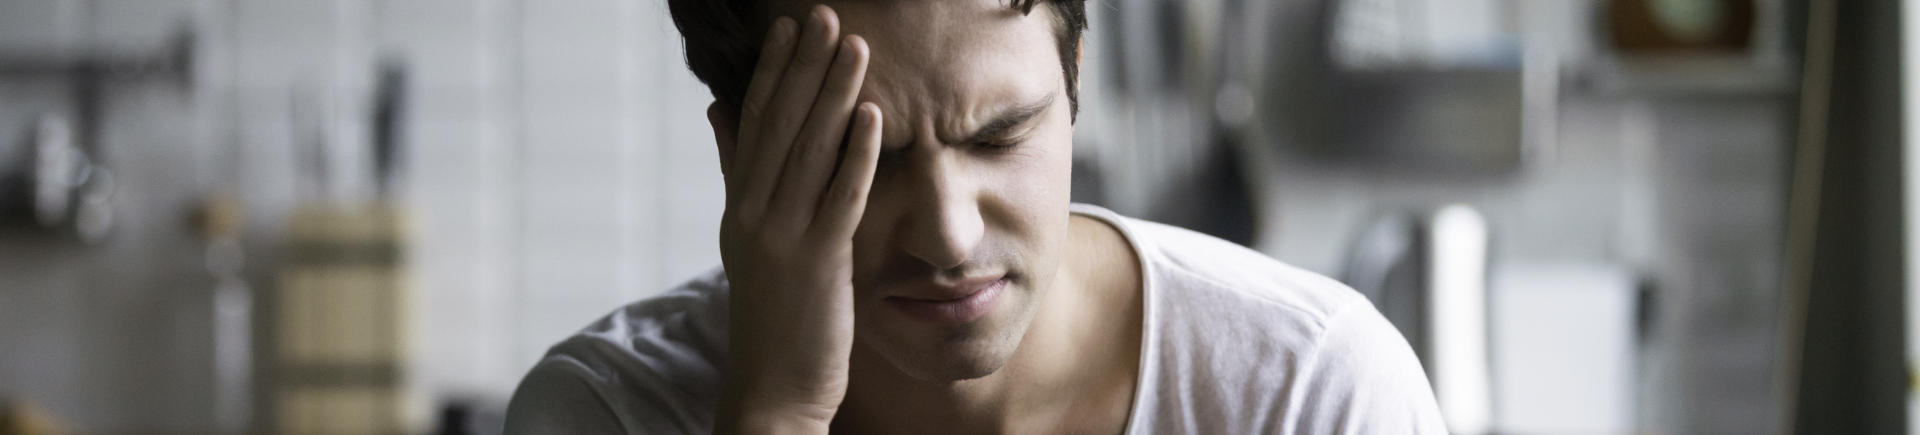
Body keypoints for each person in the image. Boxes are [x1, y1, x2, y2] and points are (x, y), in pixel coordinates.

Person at [503, 0, 1447, 433]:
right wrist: (780, 411)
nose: (949, 234)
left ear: (1074, 79)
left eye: (1000, 134)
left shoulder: (1308, 395)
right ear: (738, 156)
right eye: (867, 160)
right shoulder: (605, 412)